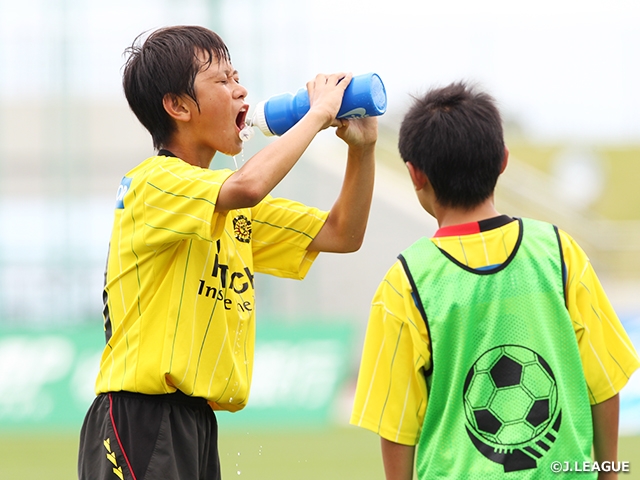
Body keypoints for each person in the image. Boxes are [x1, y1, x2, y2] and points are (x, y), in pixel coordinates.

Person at [77, 25, 377, 480]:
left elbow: (343, 233)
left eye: (237, 76)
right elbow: (249, 185)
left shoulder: (230, 205)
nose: (241, 91)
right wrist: (316, 116)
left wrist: (364, 150)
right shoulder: (151, 184)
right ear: (177, 106)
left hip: (196, 423)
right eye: (222, 80)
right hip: (140, 418)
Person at [350, 82, 639, 480]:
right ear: (503, 160)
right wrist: (608, 473)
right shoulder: (558, 252)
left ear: (415, 174)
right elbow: (604, 382)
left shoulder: (406, 281)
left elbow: (397, 424)